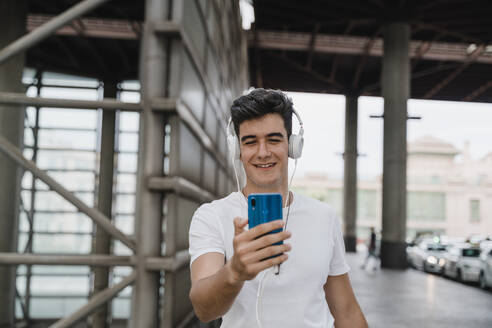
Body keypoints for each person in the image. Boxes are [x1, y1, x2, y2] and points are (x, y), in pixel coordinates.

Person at [188, 89, 368, 327]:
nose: (263, 152)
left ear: (293, 146)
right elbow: (204, 309)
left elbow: (346, 311)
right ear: (237, 151)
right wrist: (234, 272)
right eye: (250, 142)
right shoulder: (211, 216)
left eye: (273, 140)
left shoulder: (323, 216)